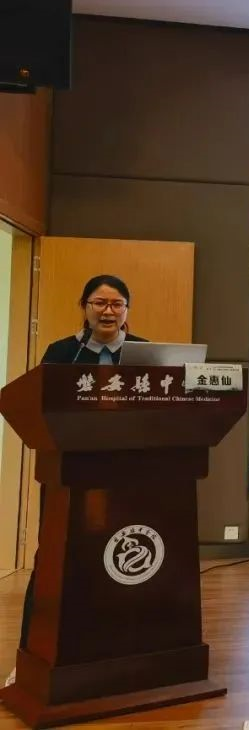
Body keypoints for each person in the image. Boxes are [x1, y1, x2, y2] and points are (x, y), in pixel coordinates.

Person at [7, 275, 147, 687]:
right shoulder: (63, 353)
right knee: (55, 560)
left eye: (117, 304)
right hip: (67, 474)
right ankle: (32, 658)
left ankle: (120, 652)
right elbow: (38, 404)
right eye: (99, 302)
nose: (108, 311)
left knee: (118, 558)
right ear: (84, 306)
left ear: (127, 310)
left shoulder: (146, 354)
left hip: (128, 475)